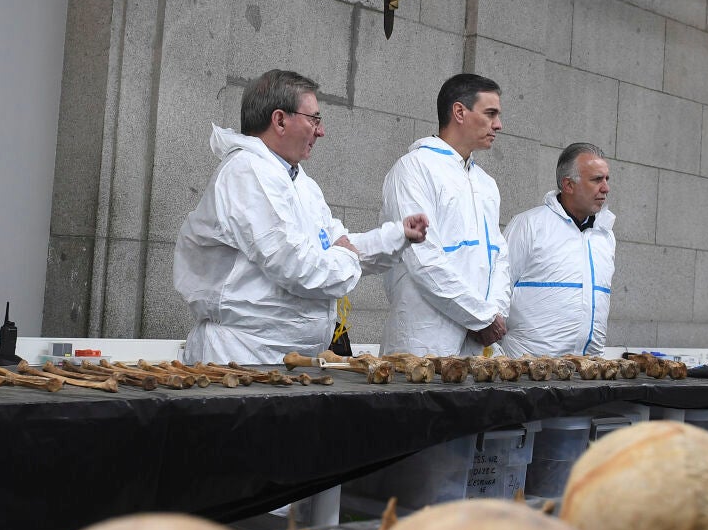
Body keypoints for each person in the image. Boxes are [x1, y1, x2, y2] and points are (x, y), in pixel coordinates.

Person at [174, 69, 428, 364]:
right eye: (314, 119)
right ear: (280, 120)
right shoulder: (247, 172)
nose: (321, 131)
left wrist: (396, 236)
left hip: (285, 359)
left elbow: (333, 243)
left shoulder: (300, 182)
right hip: (243, 357)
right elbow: (296, 264)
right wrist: (346, 257)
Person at [379, 73, 511, 356]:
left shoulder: (485, 183)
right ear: (459, 112)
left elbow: (499, 256)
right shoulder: (414, 169)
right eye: (490, 114)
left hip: (478, 343)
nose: (498, 125)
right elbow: (423, 258)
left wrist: (494, 313)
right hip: (425, 342)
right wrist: (480, 317)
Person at [500, 143, 615, 357]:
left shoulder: (605, 235)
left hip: (588, 368)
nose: (606, 188)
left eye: (607, 179)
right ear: (568, 185)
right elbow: (498, 288)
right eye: (597, 179)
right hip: (529, 368)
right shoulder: (529, 225)